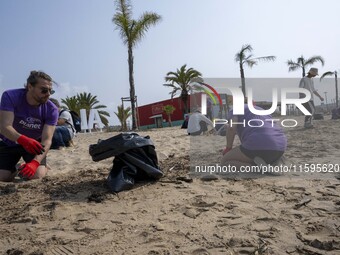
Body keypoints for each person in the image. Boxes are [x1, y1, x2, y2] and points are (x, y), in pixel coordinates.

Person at [0, 71, 58, 181]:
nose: (48, 94)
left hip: (34, 145)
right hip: (9, 142)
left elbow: (47, 140)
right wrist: (23, 140)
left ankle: (43, 166)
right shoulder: (10, 96)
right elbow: (4, 127)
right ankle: (14, 169)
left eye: (51, 91)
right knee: (3, 177)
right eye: (44, 90)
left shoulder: (52, 109)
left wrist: (35, 163)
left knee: (36, 176)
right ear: (30, 86)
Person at [221, 104, 287, 170]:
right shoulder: (260, 110)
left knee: (225, 162)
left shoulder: (236, 108)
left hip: (259, 144)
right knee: (260, 150)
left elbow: (232, 128)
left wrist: (228, 148)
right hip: (280, 146)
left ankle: (256, 168)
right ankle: (273, 161)